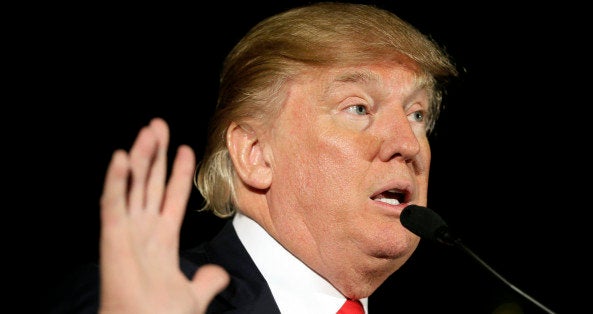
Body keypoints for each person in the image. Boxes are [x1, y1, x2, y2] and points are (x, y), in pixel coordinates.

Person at [48, 1, 458, 313]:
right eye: (359, 108)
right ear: (255, 154)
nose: (407, 143)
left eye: (417, 114)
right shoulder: (145, 297)